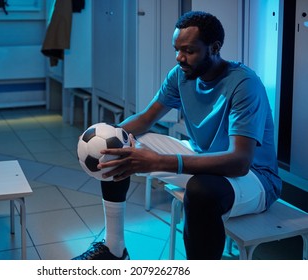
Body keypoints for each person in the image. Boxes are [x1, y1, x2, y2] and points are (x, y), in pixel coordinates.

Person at [72, 11, 282, 260]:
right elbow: (146, 118)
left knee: (201, 190)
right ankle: (114, 248)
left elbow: (239, 161)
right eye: (177, 49)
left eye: (189, 51)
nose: (179, 58)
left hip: (255, 179)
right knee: (118, 148)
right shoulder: (181, 75)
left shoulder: (245, 85)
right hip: (202, 155)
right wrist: (111, 134)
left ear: (214, 48)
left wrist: (159, 161)